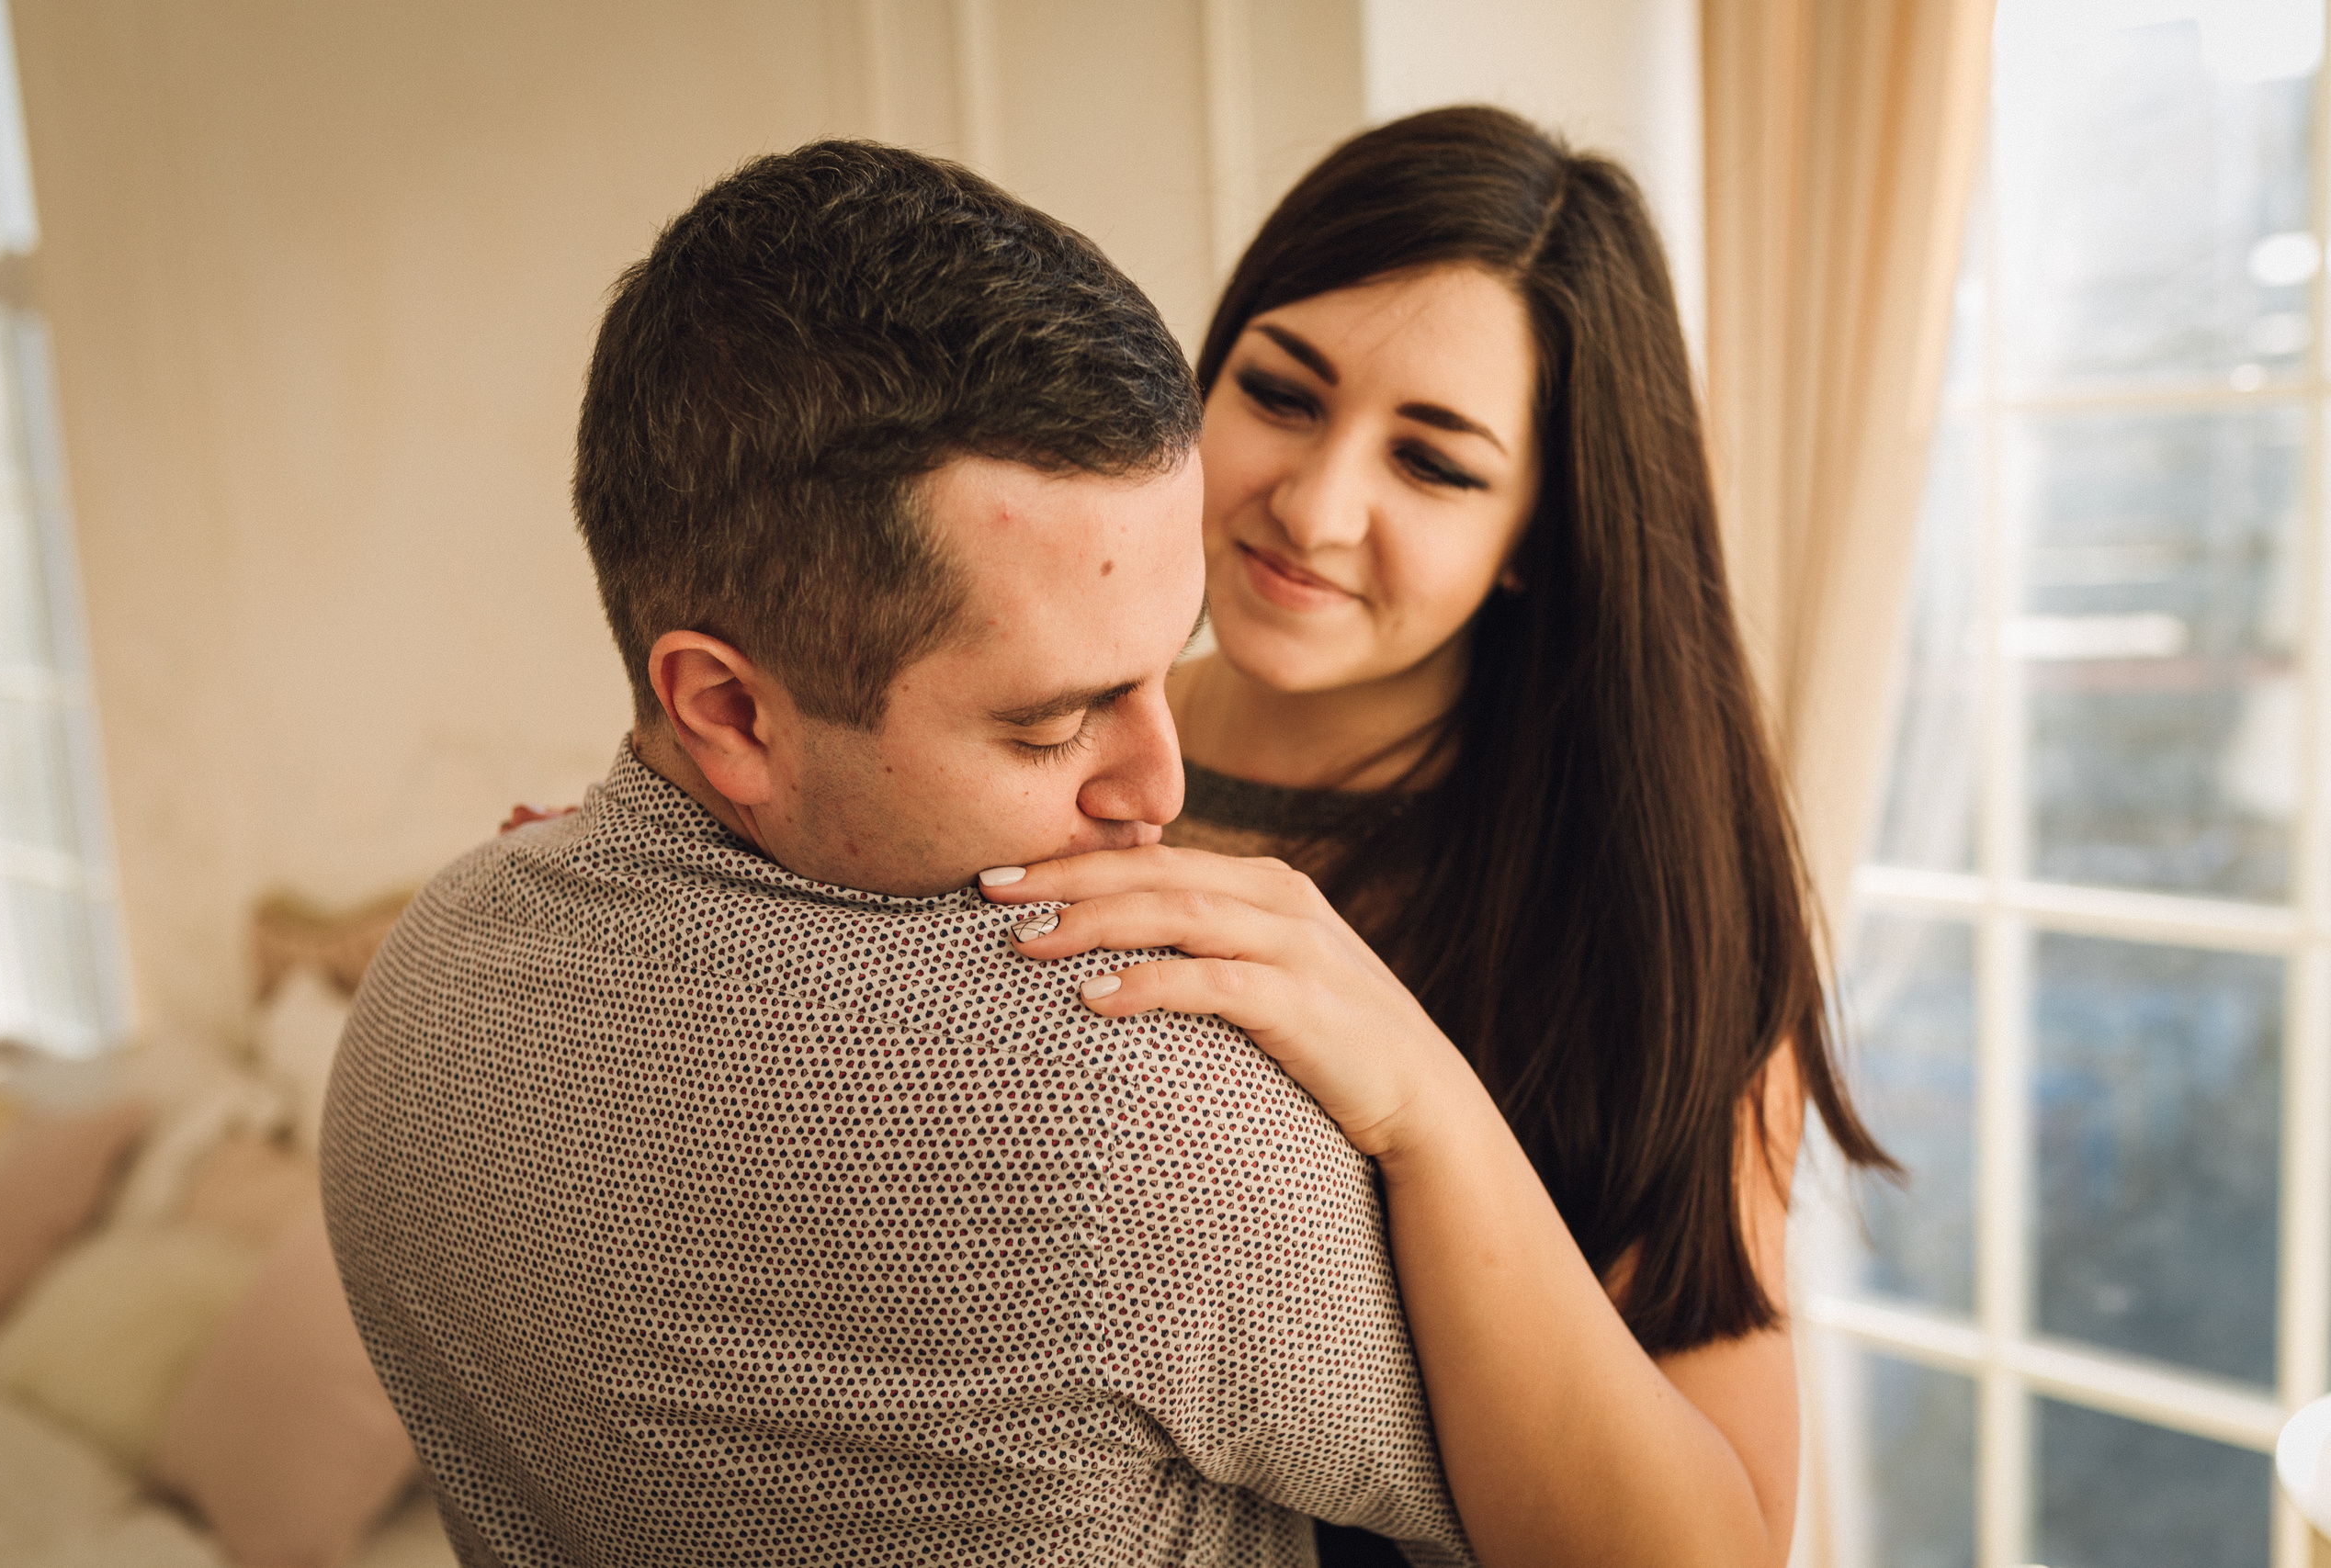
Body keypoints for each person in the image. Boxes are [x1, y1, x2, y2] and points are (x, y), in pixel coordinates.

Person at [322, 141, 1477, 1568]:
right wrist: (1428, 1096)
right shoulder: (1152, 1118)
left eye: (1160, 671)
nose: (1161, 784)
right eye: (1057, 721)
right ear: (729, 710)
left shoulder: (413, 989)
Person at [980, 106, 1895, 1568]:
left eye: (1436, 464)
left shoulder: (1652, 911)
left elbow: (1708, 1555)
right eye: (1280, 395)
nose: (1317, 507)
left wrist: (1417, 1092)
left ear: (1541, 525)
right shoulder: (1009, 735)